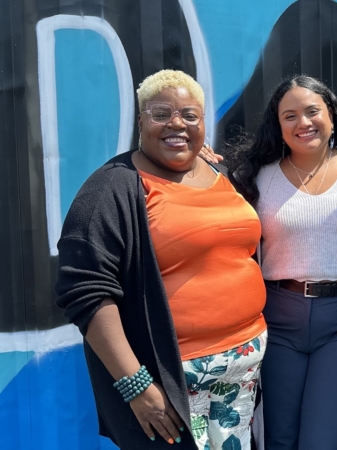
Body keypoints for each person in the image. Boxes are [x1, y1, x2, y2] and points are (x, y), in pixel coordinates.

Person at [55, 69, 267, 450]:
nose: (177, 123)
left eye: (189, 115)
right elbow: (85, 292)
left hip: (241, 371)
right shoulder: (110, 188)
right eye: (161, 113)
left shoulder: (220, 173)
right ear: (141, 121)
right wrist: (136, 385)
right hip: (171, 384)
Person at [223, 75, 337, 450]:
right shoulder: (256, 177)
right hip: (277, 320)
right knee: (278, 439)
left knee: (324, 442)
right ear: (278, 126)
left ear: (332, 115)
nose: (303, 123)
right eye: (290, 116)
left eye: (312, 111)